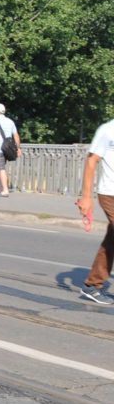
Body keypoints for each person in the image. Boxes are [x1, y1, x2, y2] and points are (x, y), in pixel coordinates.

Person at [74, 118, 114, 305]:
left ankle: (92, 284)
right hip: (110, 193)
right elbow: (91, 162)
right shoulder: (107, 130)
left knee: (111, 241)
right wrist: (86, 197)